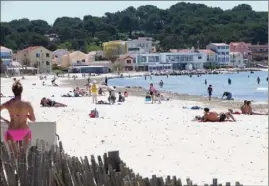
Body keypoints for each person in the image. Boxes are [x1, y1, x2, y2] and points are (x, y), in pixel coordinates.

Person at [0, 81, 36, 158]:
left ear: (13, 91)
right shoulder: (27, 104)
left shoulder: (8, 103)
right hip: (24, 131)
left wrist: (5, 120)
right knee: (23, 155)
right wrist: (27, 115)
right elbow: (33, 120)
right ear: (21, 91)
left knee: (14, 156)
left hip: (12, 130)